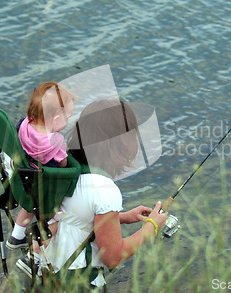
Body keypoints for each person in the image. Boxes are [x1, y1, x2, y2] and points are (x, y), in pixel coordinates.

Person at [16, 98, 168, 289]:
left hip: (41, 277)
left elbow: (73, 216)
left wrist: (122, 217)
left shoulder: (66, 171)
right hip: (74, 283)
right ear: (119, 143)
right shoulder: (105, 190)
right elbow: (113, 257)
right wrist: (151, 227)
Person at [6, 81, 75, 250]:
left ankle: (16, 237)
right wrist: (66, 165)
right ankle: (41, 252)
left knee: (29, 207)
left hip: (25, 179)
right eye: (68, 116)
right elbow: (63, 163)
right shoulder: (55, 141)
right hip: (43, 186)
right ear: (56, 119)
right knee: (57, 216)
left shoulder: (25, 124)